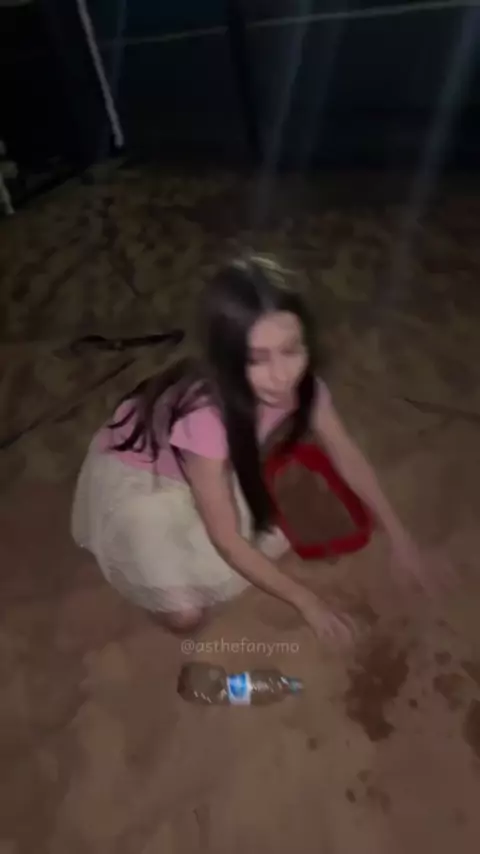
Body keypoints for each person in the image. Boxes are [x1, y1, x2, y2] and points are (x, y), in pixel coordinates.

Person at [72, 254, 434, 644]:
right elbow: (227, 541)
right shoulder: (206, 419)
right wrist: (307, 602)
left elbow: (346, 453)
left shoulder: (304, 387)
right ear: (227, 361)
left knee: (261, 532)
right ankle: (143, 562)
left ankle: (201, 517)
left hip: (205, 465)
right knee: (186, 616)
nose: (282, 376)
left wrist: (401, 537)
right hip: (144, 478)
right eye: (257, 360)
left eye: (291, 350)